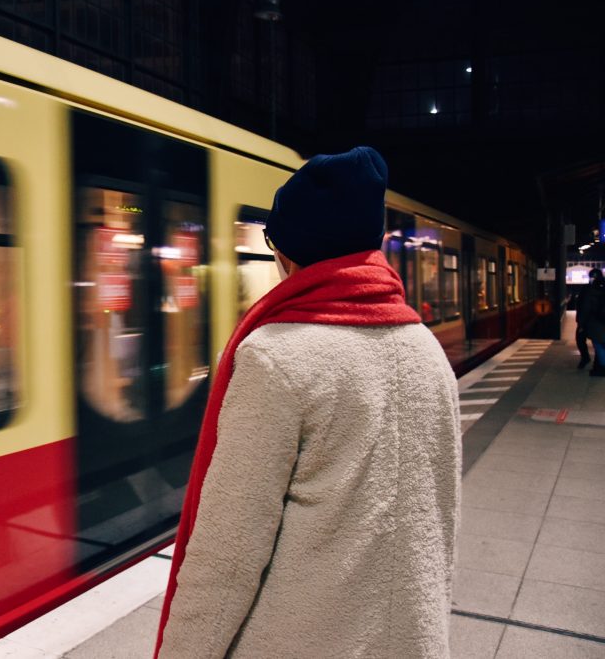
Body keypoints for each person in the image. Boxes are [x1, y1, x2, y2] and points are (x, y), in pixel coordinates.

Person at [155, 147, 461, 658]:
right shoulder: (426, 350)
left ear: (288, 254)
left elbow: (227, 558)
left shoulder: (276, 358)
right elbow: (439, 521)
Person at [579, 267, 605, 377]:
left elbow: (585, 308)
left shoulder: (590, 291)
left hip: (595, 322)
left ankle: (602, 367)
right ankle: (599, 366)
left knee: (599, 345)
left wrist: (581, 324)